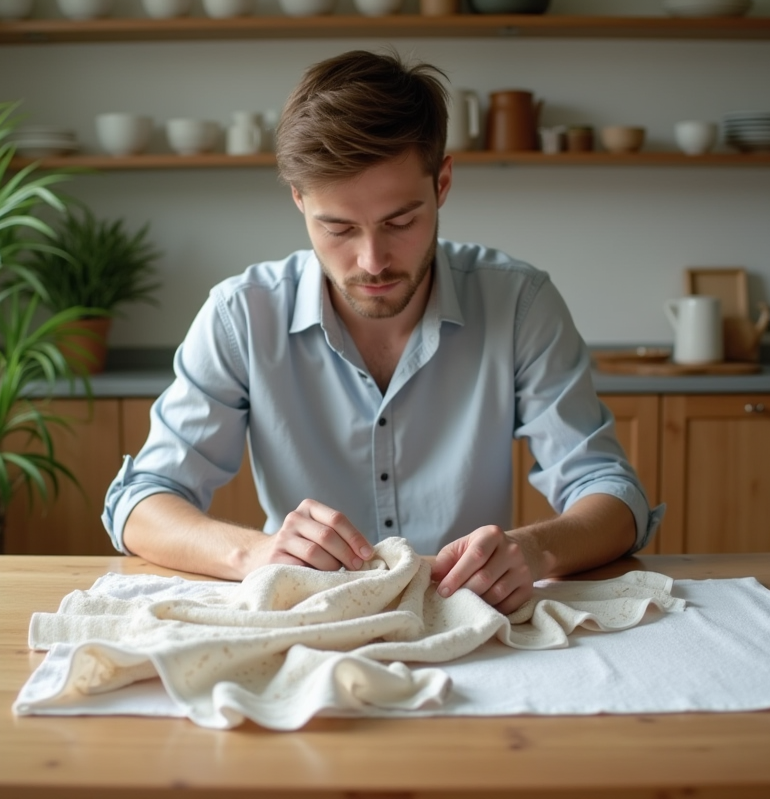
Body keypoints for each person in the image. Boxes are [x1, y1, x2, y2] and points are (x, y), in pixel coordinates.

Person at [102, 49, 661, 615]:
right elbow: (140, 503)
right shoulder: (241, 316)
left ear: (442, 183)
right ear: (299, 200)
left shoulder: (519, 303)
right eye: (338, 227)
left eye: (400, 221)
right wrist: (257, 553)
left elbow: (615, 499)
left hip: (474, 625)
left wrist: (534, 550)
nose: (372, 261)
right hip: (302, 625)